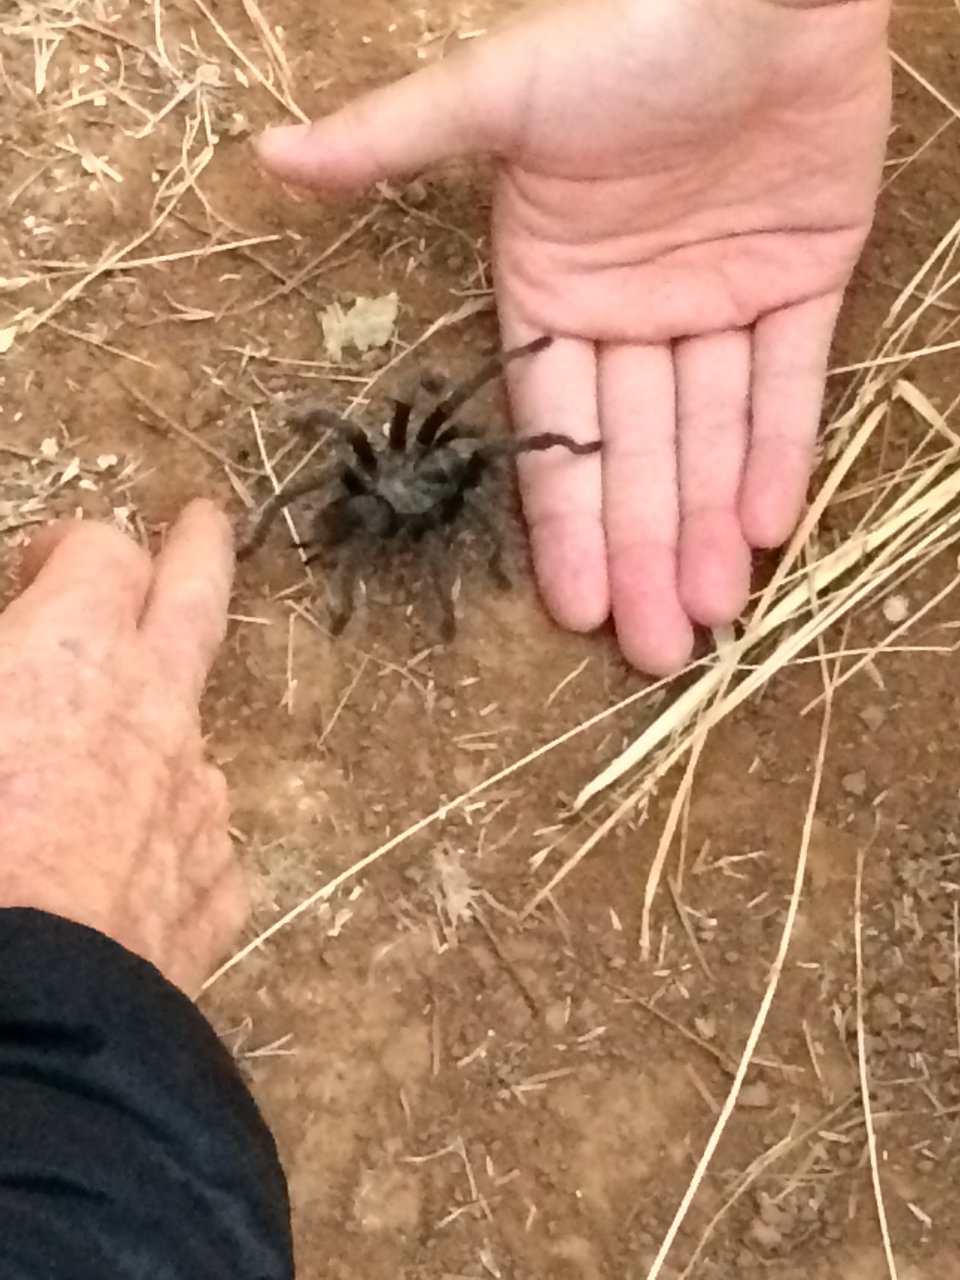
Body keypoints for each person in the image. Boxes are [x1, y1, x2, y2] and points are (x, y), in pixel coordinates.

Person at [0, 0, 890, 1274]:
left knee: (429, 498)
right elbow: (392, 462)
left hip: (403, 520)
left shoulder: (438, 482)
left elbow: (447, 485)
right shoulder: (397, 482)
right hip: (389, 520)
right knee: (402, 495)